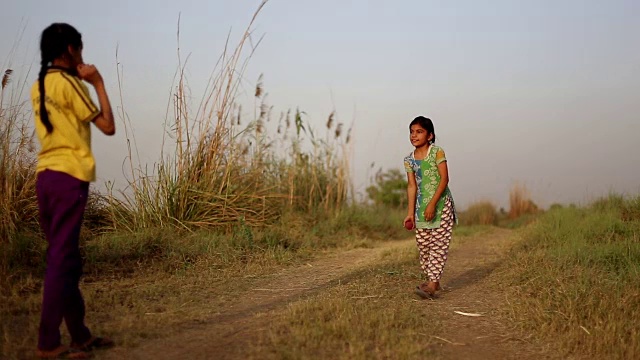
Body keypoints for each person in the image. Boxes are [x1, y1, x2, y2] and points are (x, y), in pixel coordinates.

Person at [31, 23, 116, 359]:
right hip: (69, 176)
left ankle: (80, 335)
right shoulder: (70, 84)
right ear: (69, 50)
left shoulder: (39, 85)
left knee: (66, 259)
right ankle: (48, 343)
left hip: (45, 176)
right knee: (61, 260)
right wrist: (97, 82)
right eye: (79, 49)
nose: (82, 55)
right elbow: (108, 127)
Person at [403, 116, 457, 298]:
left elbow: (444, 179)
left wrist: (433, 204)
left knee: (438, 245)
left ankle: (432, 285)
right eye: (412, 132)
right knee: (424, 246)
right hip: (420, 208)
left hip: (441, 205)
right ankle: (434, 280)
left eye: (419, 132)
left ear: (430, 135)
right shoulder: (408, 160)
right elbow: (412, 186)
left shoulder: (437, 152)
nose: (414, 135)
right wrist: (410, 214)